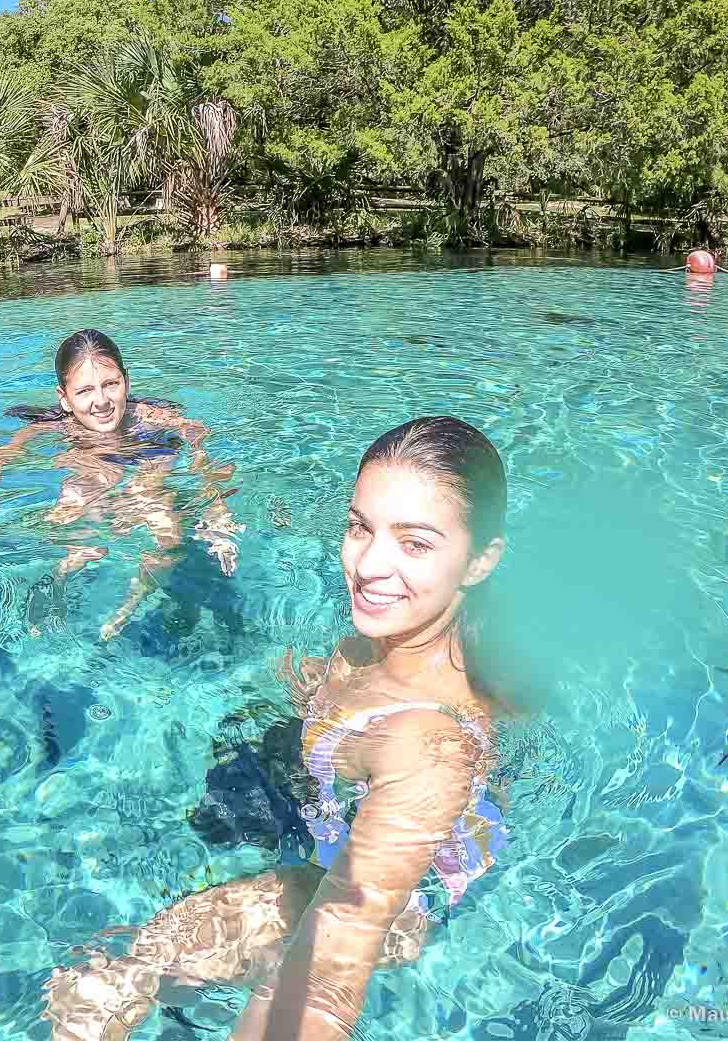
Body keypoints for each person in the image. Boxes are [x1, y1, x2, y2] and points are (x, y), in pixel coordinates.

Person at [43, 416, 513, 1040]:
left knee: (108, 980)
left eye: (416, 542)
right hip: (336, 814)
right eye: (359, 527)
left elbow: (327, 981)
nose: (370, 565)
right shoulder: (382, 642)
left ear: (481, 560)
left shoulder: (427, 746)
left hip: (405, 903)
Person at [0, 329, 242, 640]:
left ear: (127, 382)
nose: (101, 401)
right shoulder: (55, 426)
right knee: (70, 510)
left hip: (147, 453)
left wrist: (218, 511)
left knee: (161, 522)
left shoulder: (156, 417)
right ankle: (60, 574)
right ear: (64, 398)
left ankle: (135, 599)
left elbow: (203, 452)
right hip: (93, 460)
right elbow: (2, 458)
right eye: (84, 391)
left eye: (111, 384)